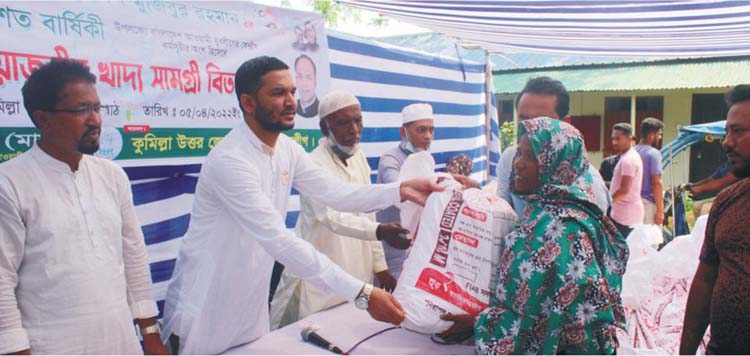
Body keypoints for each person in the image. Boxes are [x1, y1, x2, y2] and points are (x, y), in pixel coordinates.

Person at [161, 56, 442, 354]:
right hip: (206, 306)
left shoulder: (287, 149)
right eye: (278, 93)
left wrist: (403, 188)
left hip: (248, 305)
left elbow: (337, 193)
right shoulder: (230, 160)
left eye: (293, 92)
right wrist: (362, 294)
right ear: (248, 102)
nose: (291, 101)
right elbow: (279, 240)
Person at [0, 59, 167, 354]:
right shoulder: (10, 183)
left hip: (121, 342)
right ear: (44, 119)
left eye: (96, 108)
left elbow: (134, 256)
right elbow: (1, 278)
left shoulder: (111, 175)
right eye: (81, 110)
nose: (95, 120)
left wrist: (150, 333)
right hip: (51, 347)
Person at [440, 118, 628, 354]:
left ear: (557, 164)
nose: (518, 164)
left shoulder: (567, 230)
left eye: (531, 156)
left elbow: (562, 325)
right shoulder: (539, 211)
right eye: (519, 153)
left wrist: (480, 324)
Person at [270, 90, 407, 329]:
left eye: (358, 121)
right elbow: (330, 216)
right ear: (325, 128)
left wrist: (380, 267)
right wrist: (378, 230)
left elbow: (368, 211)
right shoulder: (313, 162)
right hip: (322, 274)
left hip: (358, 272)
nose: (354, 129)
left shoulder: (358, 157)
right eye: (344, 123)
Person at [680, 84, 750, 355]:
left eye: (739, 131)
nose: (727, 142)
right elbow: (706, 280)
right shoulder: (728, 201)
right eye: (727, 131)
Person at [497, 76, 610, 219]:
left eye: (541, 121)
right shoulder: (511, 158)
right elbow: (502, 213)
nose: (530, 128)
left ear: (565, 124)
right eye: (523, 119)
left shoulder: (590, 188)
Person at [376, 103, 435, 278]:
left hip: (416, 248)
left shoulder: (425, 158)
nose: (428, 136)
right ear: (404, 132)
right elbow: (397, 186)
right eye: (421, 130)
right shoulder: (390, 159)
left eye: (431, 130)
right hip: (392, 249)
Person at [609, 123, 644, 237]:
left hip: (626, 218)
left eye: (618, 139)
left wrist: (607, 202)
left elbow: (624, 190)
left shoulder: (628, 160)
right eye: (613, 138)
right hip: (623, 215)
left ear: (629, 139)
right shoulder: (627, 157)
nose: (614, 142)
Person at [635, 117, 665, 225]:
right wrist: (660, 211)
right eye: (659, 134)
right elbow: (656, 182)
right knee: (651, 240)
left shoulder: (631, 152)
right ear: (651, 135)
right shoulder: (654, 154)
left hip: (632, 204)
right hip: (648, 204)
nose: (660, 137)